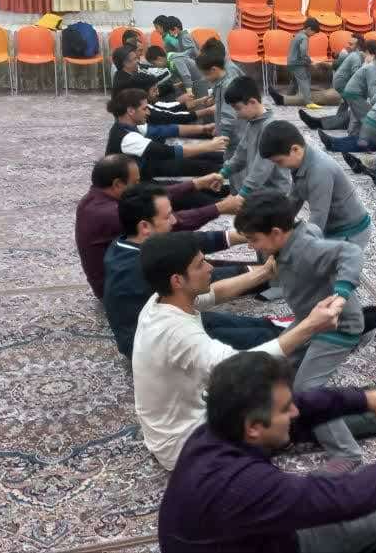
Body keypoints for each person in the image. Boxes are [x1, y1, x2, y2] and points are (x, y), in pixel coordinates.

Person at [158, 351, 376, 553]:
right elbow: (345, 499)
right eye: (286, 409)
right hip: (272, 543)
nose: (295, 411)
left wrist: (365, 399)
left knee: (319, 487)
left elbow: (304, 405)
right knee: (375, 519)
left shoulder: (212, 432)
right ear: (254, 427)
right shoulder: (246, 486)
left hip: (238, 535)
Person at [131, 231, 342, 470]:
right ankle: (373, 411)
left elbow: (216, 292)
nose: (210, 267)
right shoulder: (178, 334)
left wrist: (264, 271)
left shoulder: (161, 300)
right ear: (177, 280)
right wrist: (311, 325)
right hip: (185, 445)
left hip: (173, 424)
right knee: (293, 415)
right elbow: (242, 366)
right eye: (200, 264)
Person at [234, 192, 376, 474]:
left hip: (337, 327)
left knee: (308, 388)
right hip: (308, 320)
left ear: (276, 233)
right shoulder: (293, 238)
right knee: (273, 367)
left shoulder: (305, 248)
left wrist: (341, 295)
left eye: (254, 240)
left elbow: (350, 253)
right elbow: (311, 227)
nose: (252, 246)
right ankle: (279, 429)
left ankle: (346, 452)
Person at [103, 183, 279, 357]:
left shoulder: (128, 243)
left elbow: (189, 241)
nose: (174, 220)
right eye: (168, 216)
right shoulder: (135, 270)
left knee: (268, 325)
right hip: (159, 345)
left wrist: (251, 241)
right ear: (144, 226)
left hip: (175, 319)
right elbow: (206, 291)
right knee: (265, 338)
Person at [74, 154, 232, 299]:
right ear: (117, 184)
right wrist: (219, 208)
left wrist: (197, 183)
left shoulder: (94, 200)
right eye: (135, 183)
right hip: (124, 290)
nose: (139, 186)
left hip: (128, 274)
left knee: (203, 264)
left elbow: (150, 197)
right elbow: (176, 223)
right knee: (205, 271)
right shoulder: (109, 214)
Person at [260, 120, 372, 248]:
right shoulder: (300, 161)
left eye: (279, 161)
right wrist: (277, 226)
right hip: (331, 226)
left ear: (295, 149)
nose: (279, 166)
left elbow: (318, 219)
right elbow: (294, 198)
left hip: (349, 233)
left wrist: (294, 244)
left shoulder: (320, 170)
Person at [105, 88, 228, 179]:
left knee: (206, 156)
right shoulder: (127, 138)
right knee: (202, 168)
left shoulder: (128, 126)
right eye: (144, 109)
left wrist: (202, 129)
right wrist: (209, 145)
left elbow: (168, 129)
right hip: (139, 184)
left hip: (150, 167)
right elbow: (169, 151)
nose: (148, 113)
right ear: (131, 111)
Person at [217, 77, 293, 214]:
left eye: (237, 108)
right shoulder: (252, 123)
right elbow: (241, 153)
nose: (236, 114)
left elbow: (261, 168)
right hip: (258, 189)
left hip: (274, 192)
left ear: (252, 102)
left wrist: (244, 192)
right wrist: (224, 173)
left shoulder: (270, 127)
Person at [299, 35, 369, 130]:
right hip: (349, 88)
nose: (348, 46)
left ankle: (320, 123)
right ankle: (322, 122)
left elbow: (358, 77)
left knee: (350, 110)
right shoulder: (356, 57)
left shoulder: (361, 59)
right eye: (348, 43)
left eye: (351, 44)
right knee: (350, 109)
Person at [195, 51, 245, 152]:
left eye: (205, 74)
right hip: (228, 133)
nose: (204, 78)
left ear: (214, 69)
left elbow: (229, 115)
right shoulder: (219, 82)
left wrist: (222, 135)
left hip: (233, 136)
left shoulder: (227, 86)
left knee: (233, 157)